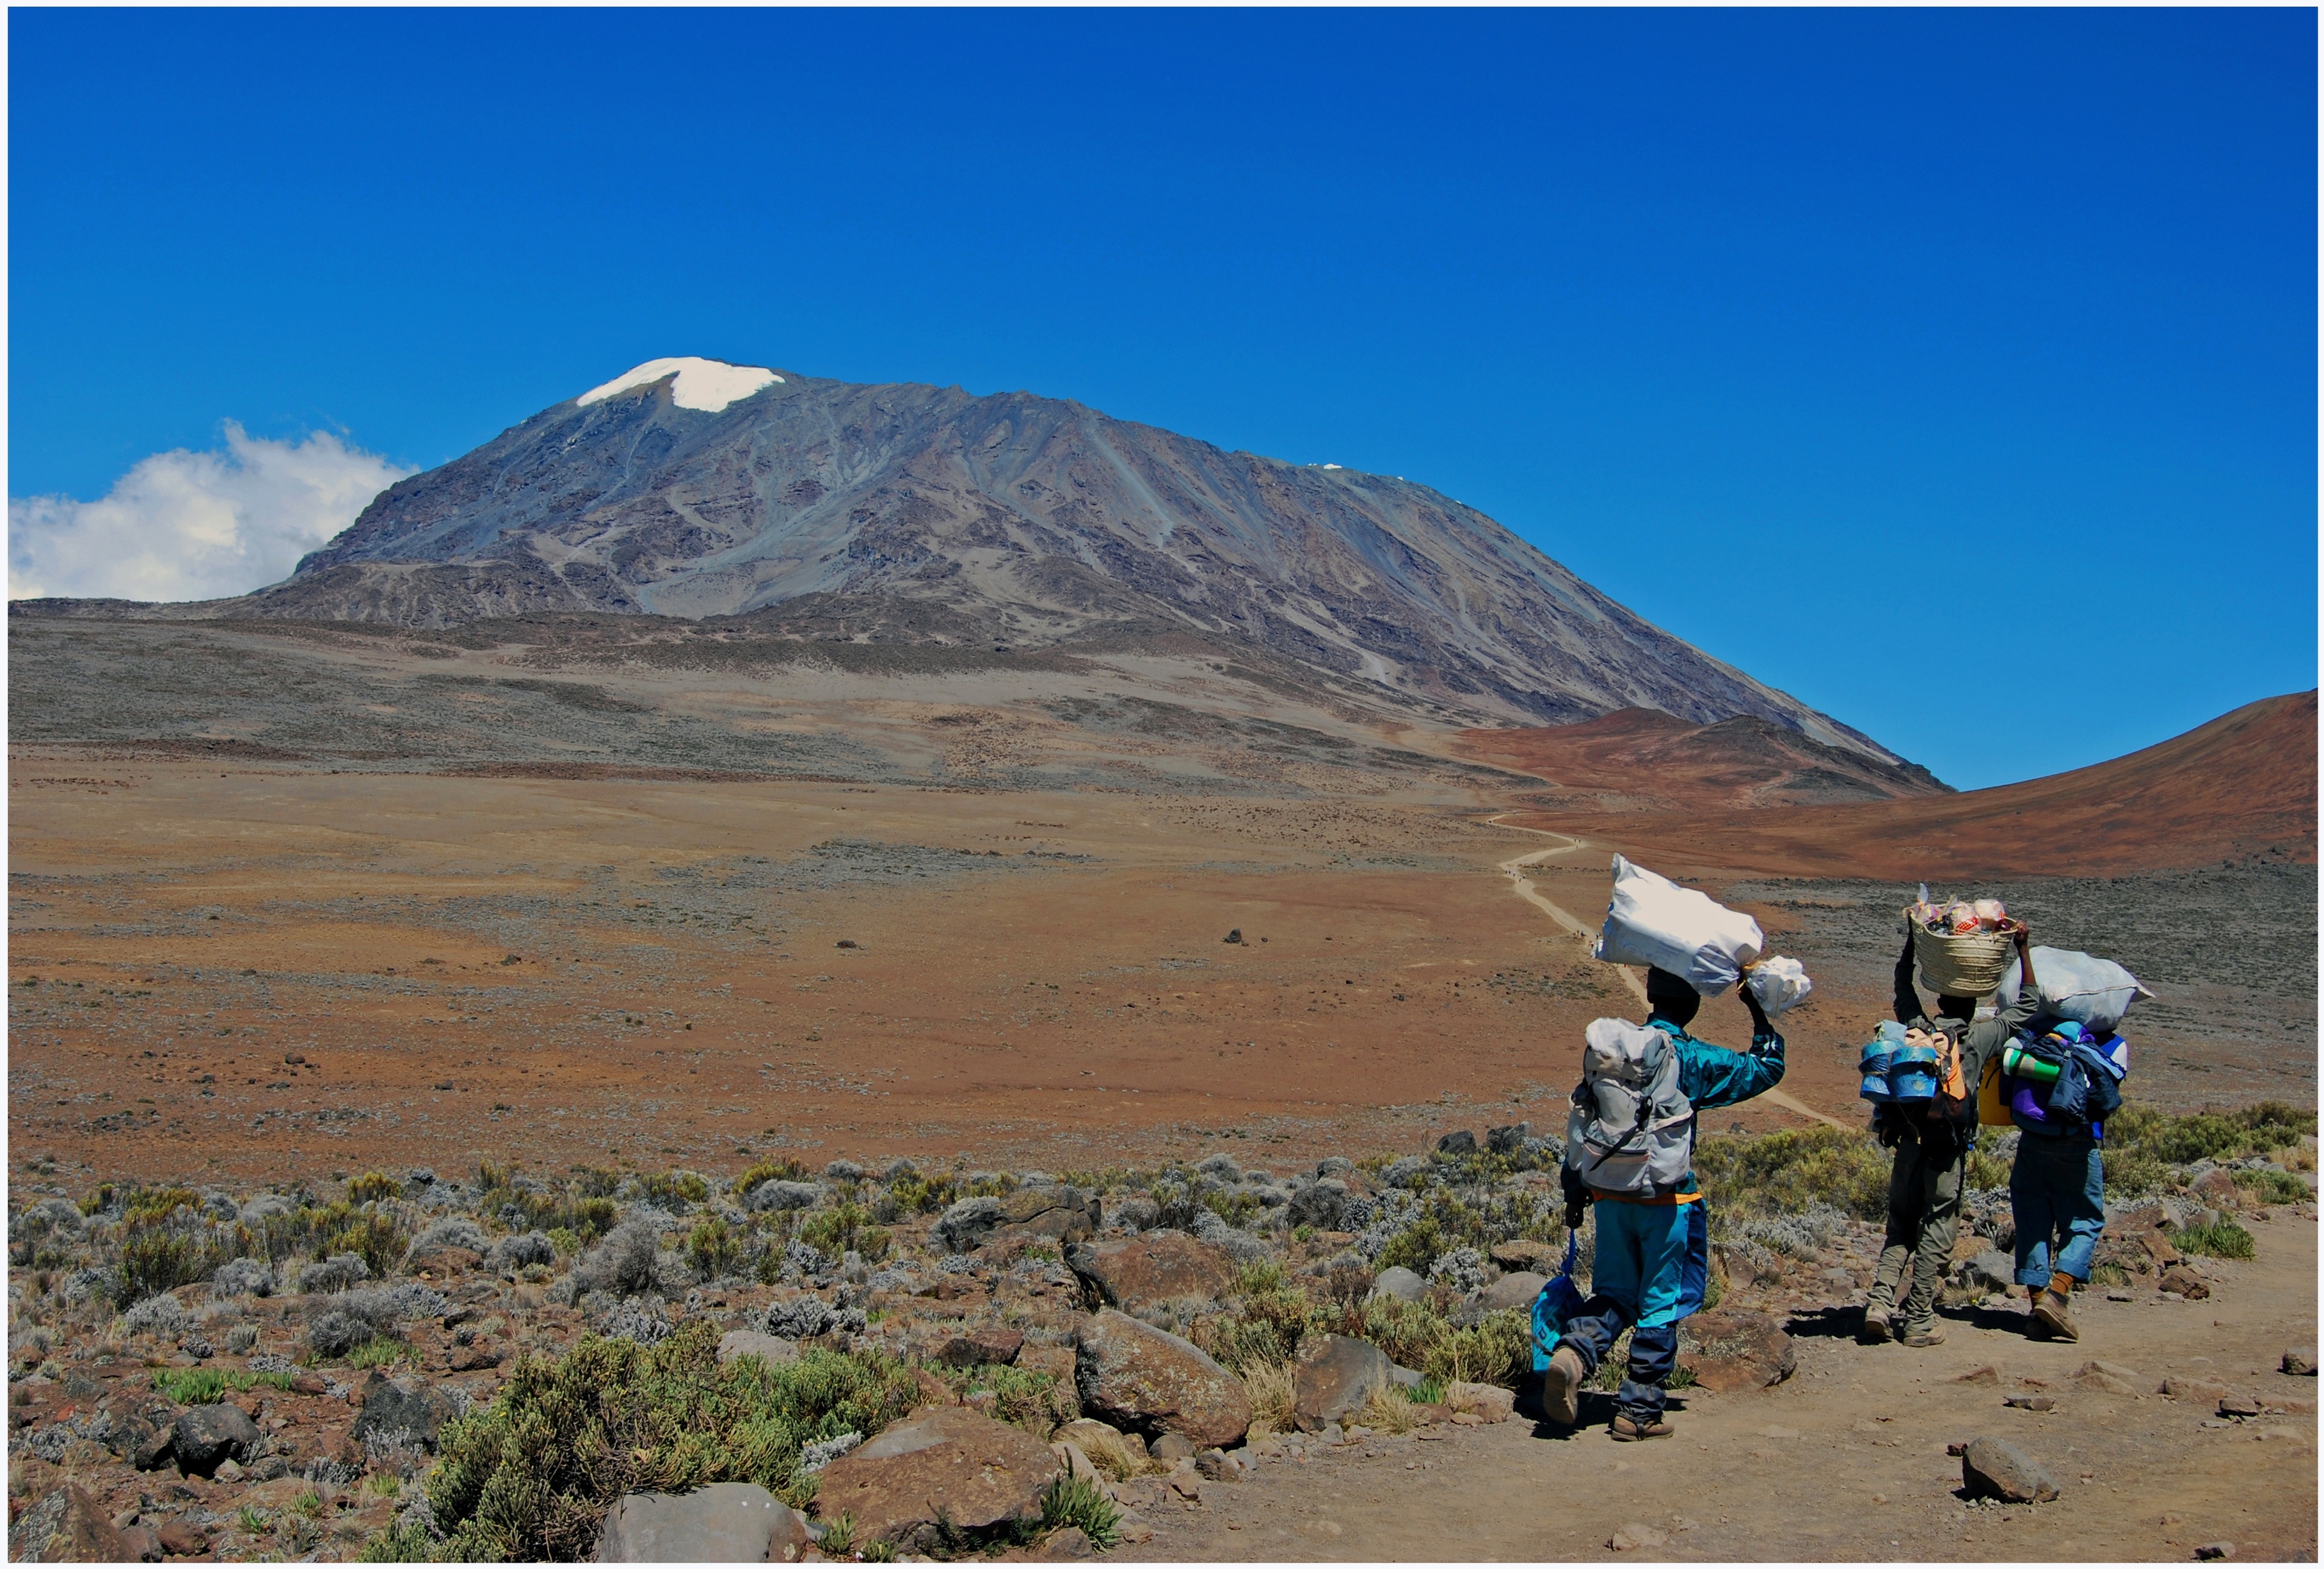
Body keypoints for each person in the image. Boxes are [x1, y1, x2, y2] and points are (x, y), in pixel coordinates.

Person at [1543, 965, 1785, 1440]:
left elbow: (1585, 1123)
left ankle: (1573, 1353)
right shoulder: (1689, 1058)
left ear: (1650, 996)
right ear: (1692, 1006)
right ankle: (1638, 1410)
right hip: (1668, 1201)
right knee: (1659, 1301)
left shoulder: (1616, 1052)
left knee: (1614, 1292)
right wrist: (1756, 1008)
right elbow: (1765, 1068)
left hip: (1610, 1195)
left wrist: (1576, 1191)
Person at [1863, 922, 2038, 1348]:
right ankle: (1919, 1319)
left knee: (1900, 1226)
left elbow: (1901, 986)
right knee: (1937, 1229)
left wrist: (1912, 940)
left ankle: (1879, 1304)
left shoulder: (1917, 1026)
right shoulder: (1979, 1036)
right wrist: (2022, 947)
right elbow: (2028, 1004)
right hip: (1946, 1151)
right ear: (1975, 998)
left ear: (1938, 996)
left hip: (1907, 1143)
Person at [2005, 1015, 2126, 1343]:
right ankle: (2057, 1296)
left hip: (2031, 1140)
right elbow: (2108, 1096)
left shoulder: (2034, 1037)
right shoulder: (2110, 1044)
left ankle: (2036, 1310)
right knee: (2085, 1219)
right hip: (2077, 1144)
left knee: (2032, 1220)